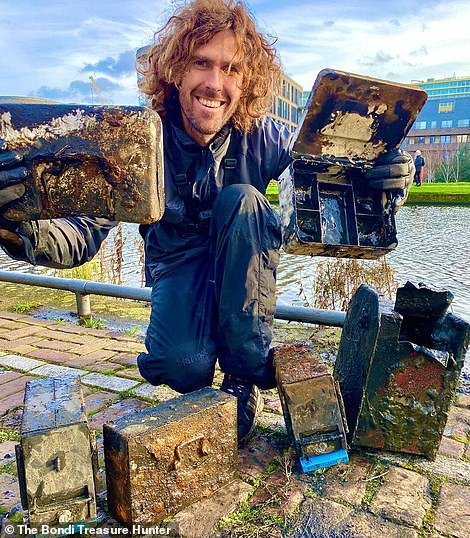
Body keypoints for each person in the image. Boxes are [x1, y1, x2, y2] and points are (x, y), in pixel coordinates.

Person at [0, 0, 415, 445]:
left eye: (231, 69)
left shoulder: (264, 136)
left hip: (243, 262)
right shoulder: (137, 144)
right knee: (183, 367)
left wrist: (387, 180)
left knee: (245, 200)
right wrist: (18, 226)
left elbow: (330, 186)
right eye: (201, 63)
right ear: (176, 71)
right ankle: (202, 350)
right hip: (177, 264)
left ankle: (243, 372)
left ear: (245, 82)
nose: (215, 84)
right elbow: (81, 233)